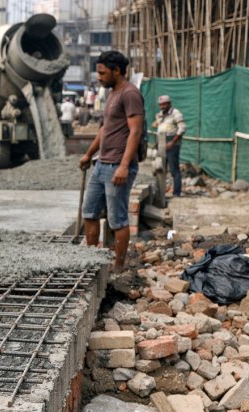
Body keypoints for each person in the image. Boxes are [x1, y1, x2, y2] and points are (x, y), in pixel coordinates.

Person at [78, 50, 144, 272]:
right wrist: (89, 154)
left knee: (117, 219)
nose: (99, 77)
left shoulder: (130, 94)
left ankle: (118, 267)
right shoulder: (112, 94)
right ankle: (91, 259)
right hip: (101, 164)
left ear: (117, 71)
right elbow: (106, 128)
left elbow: (135, 132)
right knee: (89, 212)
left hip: (118, 165)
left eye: (103, 73)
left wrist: (124, 166)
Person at [153, 94, 186, 197]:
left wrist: (172, 142)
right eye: (160, 105)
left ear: (169, 104)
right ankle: (160, 192)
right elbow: (157, 125)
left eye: (164, 104)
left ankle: (176, 192)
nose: (162, 107)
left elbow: (182, 128)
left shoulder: (176, 113)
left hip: (172, 142)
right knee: (160, 167)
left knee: (174, 169)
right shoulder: (161, 114)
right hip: (161, 141)